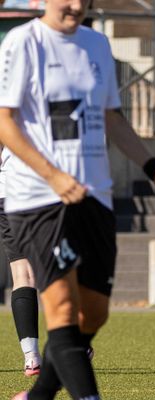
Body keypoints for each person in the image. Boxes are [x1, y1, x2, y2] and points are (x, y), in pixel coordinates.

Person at [0, 0, 155, 398]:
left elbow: (112, 118)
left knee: (94, 313)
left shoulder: (97, 44)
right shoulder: (22, 42)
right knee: (64, 313)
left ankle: (38, 396)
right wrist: (52, 175)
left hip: (94, 193)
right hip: (37, 197)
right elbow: (5, 122)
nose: (76, 5)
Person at [0, 149, 41, 377]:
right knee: (63, 267)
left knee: (22, 272)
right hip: (48, 190)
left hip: (8, 191)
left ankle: (32, 357)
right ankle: (73, 342)